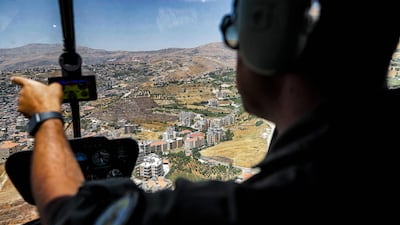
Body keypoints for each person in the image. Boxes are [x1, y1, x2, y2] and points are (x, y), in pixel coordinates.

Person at [10, 0, 400, 224]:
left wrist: (46, 116)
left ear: (269, 39)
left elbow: (71, 215)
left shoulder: (264, 208)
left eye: (235, 29)